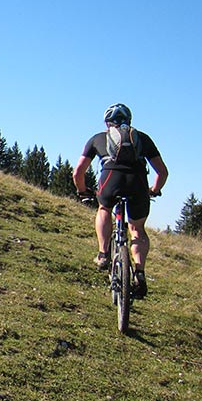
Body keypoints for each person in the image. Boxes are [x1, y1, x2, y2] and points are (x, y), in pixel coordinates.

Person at [72, 103, 168, 298]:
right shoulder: (142, 138)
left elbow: (78, 172)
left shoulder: (98, 138)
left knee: (104, 209)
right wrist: (154, 190)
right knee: (137, 230)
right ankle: (139, 273)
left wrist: (82, 190)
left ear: (107, 123)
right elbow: (162, 172)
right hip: (138, 182)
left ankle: (103, 254)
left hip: (110, 181)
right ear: (129, 121)